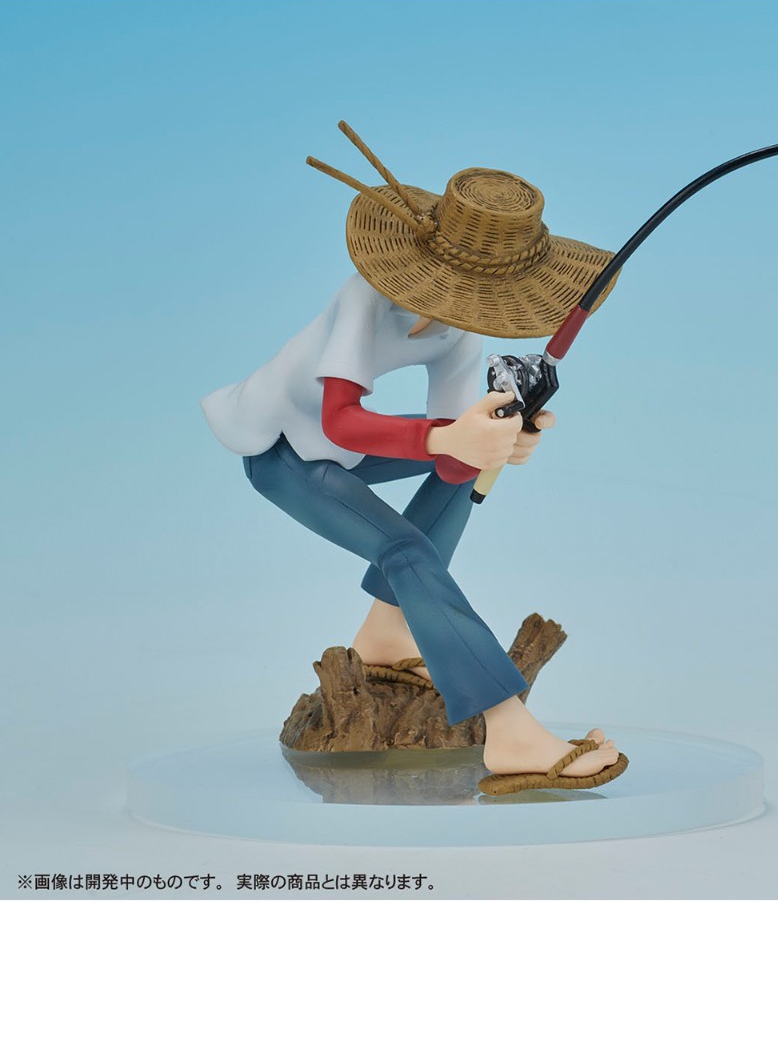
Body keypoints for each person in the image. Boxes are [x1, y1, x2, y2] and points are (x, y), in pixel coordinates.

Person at [201, 123, 627, 794]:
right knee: (404, 551)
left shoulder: (459, 329)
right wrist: (446, 440)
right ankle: (507, 727)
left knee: (465, 464)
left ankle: (385, 632)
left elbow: (454, 458)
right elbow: (340, 419)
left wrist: (494, 441)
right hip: (284, 450)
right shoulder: (364, 300)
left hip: (345, 449)